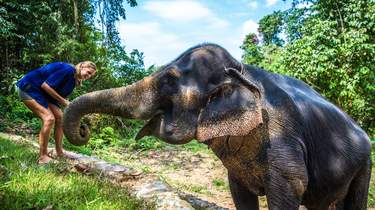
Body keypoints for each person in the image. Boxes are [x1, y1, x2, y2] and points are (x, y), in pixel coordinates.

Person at [16, 61, 96, 164]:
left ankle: (59, 152)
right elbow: (46, 86)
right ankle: (43, 156)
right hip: (29, 88)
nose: (88, 76)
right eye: (88, 72)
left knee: (61, 118)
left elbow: (56, 95)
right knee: (49, 119)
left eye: (90, 75)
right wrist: (64, 102)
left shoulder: (74, 79)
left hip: (43, 94)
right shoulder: (67, 70)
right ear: (81, 66)